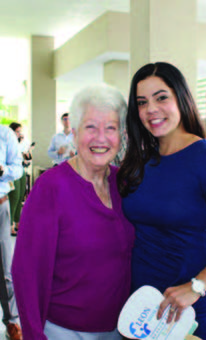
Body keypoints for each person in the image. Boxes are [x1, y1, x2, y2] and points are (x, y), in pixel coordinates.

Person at [118, 62, 206, 340]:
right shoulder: (140, 161)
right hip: (141, 305)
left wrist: (196, 287)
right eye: (142, 102)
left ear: (181, 98)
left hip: (190, 307)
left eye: (161, 97)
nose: (151, 109)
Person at [12, 84, 135, 340]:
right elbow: (26, 271)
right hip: (66, 331)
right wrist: (34, 335)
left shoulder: (123, 182)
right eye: (91, 127)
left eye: (110, 128)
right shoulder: (51, 187)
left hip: (121, 328)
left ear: (121, 134)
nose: (101, 138)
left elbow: (155, 229)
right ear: (75, 132)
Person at [0, 124, 23, 340]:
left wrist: (3, 171)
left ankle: (12, 322)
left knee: (5, 269)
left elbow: (19, 168)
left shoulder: (5, 134)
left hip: (0, 206)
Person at [8, 122, 33, 236]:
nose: (20, 134)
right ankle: (10, 225)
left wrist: (27, 154)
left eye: (20, 131)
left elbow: (26, 158)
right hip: (12, 172)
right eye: (17, 131)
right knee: (14, 197)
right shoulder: (7, 142)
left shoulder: (22, 142)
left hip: (21, 170)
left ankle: (18, 223)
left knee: (20, 197)